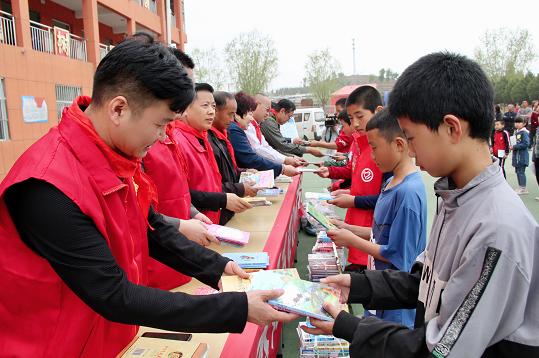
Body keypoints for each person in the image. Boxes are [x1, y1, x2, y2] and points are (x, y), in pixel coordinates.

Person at [0, 38, 298, 357]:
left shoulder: (114, 156)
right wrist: (236, 308)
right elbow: (114, 295)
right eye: (160, 125)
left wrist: (218, 267)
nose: (160, 138)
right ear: (118, 109)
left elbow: (149, 227)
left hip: (107, 339)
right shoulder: (47, 187)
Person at [303, 52, 539, 357]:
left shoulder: (495, 229)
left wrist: (350, 327)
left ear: (452, 128)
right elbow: (424, 281)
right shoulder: (457, 196)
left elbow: (442, 350)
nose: (410, 152)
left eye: (412, 138)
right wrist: (356, 285)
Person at [326, 108, 427, 329]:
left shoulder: (408, 194)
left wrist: (351, 240)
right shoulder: (391, 183)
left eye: (374, 148)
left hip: (396, 305)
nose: (372, 156)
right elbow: (378, 234)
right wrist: (348, 228)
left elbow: (399, 256)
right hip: (380, 288)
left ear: (399, 145)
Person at [143, 46, 219, 290]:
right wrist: (181, 225)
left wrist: (193, 212)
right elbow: (140, 212)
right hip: (156, 260)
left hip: (181, 256)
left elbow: (180, 189)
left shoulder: (170, 134)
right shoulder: (142, 139)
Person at [316, 86, 384, 272]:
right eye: (351, 118)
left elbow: (386, 199)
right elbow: (359, 179)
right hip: (357, 231)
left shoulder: (382, 152)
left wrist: (352, 199)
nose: (354, 124)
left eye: (359, 117)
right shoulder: (360, 143)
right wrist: (347, 190)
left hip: (371, 239)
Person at [174, 83, 252, 224]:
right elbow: (181, 194)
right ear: (185, 108)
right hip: (197, 225)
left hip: (212, 220)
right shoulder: (177, 142)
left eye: (213, 106)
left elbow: (212, 183)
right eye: (205, 106)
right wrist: (223, 199)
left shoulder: (201, 138)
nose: (211, 112)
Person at [209, 91, 258, 225]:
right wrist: (240, 188)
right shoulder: (208, 139)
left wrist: (243, 172)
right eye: (230, 114)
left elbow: (228, 170)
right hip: (218, 210)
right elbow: (210, 185)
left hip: (226, 208)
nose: (232, 119)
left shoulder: (221, 135)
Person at [229, 92, 299, 177]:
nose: (268, 114)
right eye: (250, 113)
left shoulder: (252, 126)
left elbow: (265, 147)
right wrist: (283, 167)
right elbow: (255, 152)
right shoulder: (236, 129)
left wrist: (286, 160)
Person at [246, 93, 303, 167]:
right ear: (256, 105)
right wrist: (286, 160)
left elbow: (266, 147)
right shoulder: (249, 126)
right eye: (266, 110)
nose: (267, 114)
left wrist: (288, 158)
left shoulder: (256, 125)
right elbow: (259, 150)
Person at [512, 117, 530, 194]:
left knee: (521, 172)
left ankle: (523, 188)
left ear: (524, 124)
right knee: (518, 171)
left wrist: (515, 146)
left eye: (519, 122)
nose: (517, 124)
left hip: (522, 156)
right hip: (517, 156)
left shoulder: (524, 132)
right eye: (516, 122)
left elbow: (526, 144)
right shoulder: (517, 132)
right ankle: (520, 186)